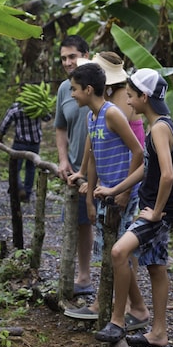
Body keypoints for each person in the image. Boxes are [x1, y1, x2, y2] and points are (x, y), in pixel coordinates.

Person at [93, 69, 173, 347]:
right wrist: (115, 189)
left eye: (131, 95)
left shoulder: (159, 129)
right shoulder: (161, 125)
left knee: (119, 252)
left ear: (145, 97)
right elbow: (147, 168)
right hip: (158, 207)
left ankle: (117, 321)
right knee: (156, 266)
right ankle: (158, 333)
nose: (128, 101)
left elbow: (167, 175)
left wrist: (155, 211)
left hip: (158, 211)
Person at [63, 62, 149, 330]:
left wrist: (124, 191)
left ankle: (130, 309)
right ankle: (118, 306)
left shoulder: (112, 114)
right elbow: (93, 159)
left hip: (121, 195)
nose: (72, 94)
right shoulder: (92, 117)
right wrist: (89, 198)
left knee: (118, 254)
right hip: (105, 195)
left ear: (89, 89)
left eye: (75, 89)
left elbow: (138, 151)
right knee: (110, 254)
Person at [54, 35, 96, 296]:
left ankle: (124, 296)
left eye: (72, 56)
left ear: (86, 55)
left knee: (110, 224)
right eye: (63, 58)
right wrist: (63, 159)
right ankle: (84, 275)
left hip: (104, 169)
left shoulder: (102, 84)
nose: (68, 62)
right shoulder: (64, 89)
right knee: (81, 222)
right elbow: (60, 127)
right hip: (77, 170)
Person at [0, 94, 46, 202]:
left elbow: (5, 124)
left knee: (15, 168)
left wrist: (0, 137)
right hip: (34, 143)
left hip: (20, 143)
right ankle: (27, 194)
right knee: (30, 168)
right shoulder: (38, 106)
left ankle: (19, 188)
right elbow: (47, 118)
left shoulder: (16, 108)